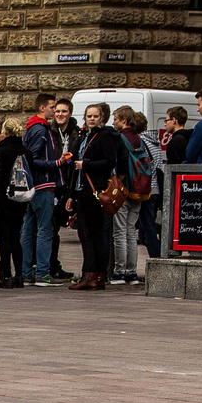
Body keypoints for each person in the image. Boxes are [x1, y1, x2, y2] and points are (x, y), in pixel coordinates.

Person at [66, 102, 126, 290]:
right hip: (82, 190)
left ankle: (92, 275)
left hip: (95, 191)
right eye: (89, 116)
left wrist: (86, 164)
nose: (92, 119)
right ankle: (95, 275)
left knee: (91, 234)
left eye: (95, 116)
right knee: (88, 234)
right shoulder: (84, 136)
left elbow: (109, 162)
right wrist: (71, 194)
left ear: (102, 118)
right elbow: (73, 166)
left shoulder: (105, 136)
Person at [21, 93, 62, 286]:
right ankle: (42, 273)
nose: (54, 110)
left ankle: (27, 272)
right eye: (52, 107)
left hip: (31, 186)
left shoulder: (31, 128)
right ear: (42, 108)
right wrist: (56, 163)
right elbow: (33, 158)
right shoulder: (41, 130)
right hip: (43, 185)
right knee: (45, 230)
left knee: (28, 230)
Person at [109, 106, 148, 284]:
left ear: (124, 120)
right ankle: (132, 272)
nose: (113, 121)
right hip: (139, 189)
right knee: (131, 232)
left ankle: (119, 271)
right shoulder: (140, 139)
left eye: (116, 118)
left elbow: (119, 163)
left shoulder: (120, 138)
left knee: (119, 231)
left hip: (123, 189)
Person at [0, 116, 31, 288]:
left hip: (3, 200)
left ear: (5, 132)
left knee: (4, 239)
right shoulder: (25, 152)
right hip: (21, 200)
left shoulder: (1, 151)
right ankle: (20, 275)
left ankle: (6, 275)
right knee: (16, 238)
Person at [48, 99, 79, 279]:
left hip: (66, 182)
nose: (60, 114)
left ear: (70, 113)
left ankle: (53, 264)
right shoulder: (49, 131)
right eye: (58, 111)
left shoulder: (76, 133)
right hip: (51, 181)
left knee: (57, 225)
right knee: (49, 228)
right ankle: (50, 264)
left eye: (64, 111)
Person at [133, 110, 165, 261]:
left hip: (147, 188)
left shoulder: (140, 142)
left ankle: (157, 260)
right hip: (156, 188)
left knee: (149, 229)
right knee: (145, 229)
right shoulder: (153, 141)